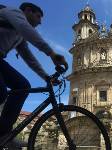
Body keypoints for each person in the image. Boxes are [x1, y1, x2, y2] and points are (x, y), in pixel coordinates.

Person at [0, 2, 68, 147]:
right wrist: (52, 53)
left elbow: (29, 58)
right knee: (0, 92)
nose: (40, 21)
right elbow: (25, 29)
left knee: (22, 86)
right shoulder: (13, 12)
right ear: (28, 11)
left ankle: (3, 134)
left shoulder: (19, 36)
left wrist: (46, 77)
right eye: (38, 16)